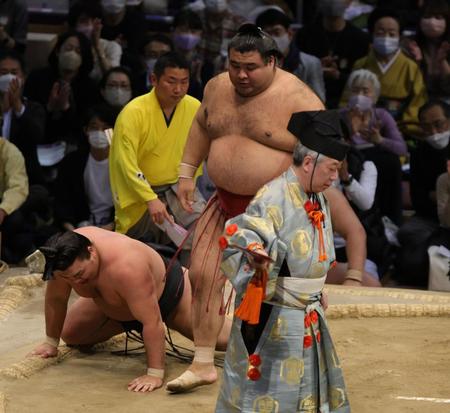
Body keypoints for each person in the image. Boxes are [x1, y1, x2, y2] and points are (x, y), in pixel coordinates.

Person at [168, 23, 366, 393]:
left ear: (272, 62)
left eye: (251, 67)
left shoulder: (299, 97)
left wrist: (306, 191)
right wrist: (184, 174)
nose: (241, 75)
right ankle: (202, 361)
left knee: (276, 290)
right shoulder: (215, 87)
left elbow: (331, 152)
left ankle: (283, 361)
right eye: (235, 65)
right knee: (204, 274)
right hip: (224, 200)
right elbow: (201, 125)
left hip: (279, 212)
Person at [215, 110, 350, 412]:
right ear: (308, 163)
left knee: (308, 390)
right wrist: (257, 255)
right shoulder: (272, 196)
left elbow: (314, 253)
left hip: (308, 308)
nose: (334, 177)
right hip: (276, 313)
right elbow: (241, 235)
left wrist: (315, 288)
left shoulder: (318, 196)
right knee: (268, 392)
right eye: (331, 169)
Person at [30, 227, 229, 392]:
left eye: (80, 274)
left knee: (223, 340)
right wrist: (50, 342)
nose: (75, 281)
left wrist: (154, 373)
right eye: (68, 278)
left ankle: (257, 328)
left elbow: (152, 322)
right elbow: (56, 299)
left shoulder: (126, 266)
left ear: (91, 251)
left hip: (168, 298)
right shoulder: (60, 259)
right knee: (72, 334)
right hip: (113, 306)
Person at [109, 52, 204, 257]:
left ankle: (191, 284)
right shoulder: (133, 113)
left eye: (184, 82)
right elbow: (125, 164)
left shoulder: (194, 107)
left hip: (178, 185)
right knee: (137, 251)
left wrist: (189, 180)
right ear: (154, 79)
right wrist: (150, 198)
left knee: (203, 232)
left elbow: (199, 149)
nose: (178, 89)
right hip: (139, 190)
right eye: (171, 81)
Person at [340, 69, 407, 225]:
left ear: (375, 97)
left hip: (375, 160)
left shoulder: (382, 116)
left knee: (392, 161)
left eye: (366, 91)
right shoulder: (340, 115)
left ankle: (391, 220)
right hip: (350, 160)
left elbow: (402, 148)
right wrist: (351, 130)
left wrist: (380, 140)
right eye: (355, 90)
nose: (360, 95)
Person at [350, 8, 427, 138]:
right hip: (362, 126)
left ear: (399, 36)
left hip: (399, 125)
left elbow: (417, 101)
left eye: (392, 34)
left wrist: (404, 126)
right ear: (372, 34)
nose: (386, 37)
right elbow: (349, 97)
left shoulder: (410, 66)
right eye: (380, 32)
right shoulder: (361, 64)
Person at [54, 104, 119, 231]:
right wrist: (73, 231)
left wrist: (109, 229)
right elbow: (62, 201)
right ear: (86, 130)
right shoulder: (71, 162)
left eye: (106, 128)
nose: (100, 133)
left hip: (114, 229)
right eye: (94, 128)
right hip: (78, 229)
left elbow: (131, 206)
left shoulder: (125, 163)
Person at [296, 0, 370, 108]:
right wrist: (314, 68)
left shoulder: (361, 39)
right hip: (309, 99)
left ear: (349, 2)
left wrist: (339, 76)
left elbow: (364, 78)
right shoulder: (304, 35)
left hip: (347, 102)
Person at [255, 7, 326, 102]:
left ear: (289, 34)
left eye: (277, 32)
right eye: (267, 34)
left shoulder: (311, 63)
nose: (272, 39)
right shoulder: (252, 65)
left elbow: (319, 101)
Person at [0, 50, 46, 186]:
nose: (9, 77)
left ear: (23, 77)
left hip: (24, 181)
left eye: (14, 73)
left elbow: (36, 136)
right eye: (3, 72)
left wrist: (18, 107)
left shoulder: (33, 109)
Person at [402, 0, 450, 102]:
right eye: (427, 17)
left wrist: (442, 62)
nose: (431, 22)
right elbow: (410, 86)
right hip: (419, 100)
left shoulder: (447, 47)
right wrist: (417, 62)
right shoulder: (411, 45)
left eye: (438, 17)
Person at [411, 100, 450, 221]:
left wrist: (435, 194)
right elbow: (417, 198)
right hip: (432, 216)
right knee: (408, 233)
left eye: (438, 124)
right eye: (426, 127)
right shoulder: (419, 153)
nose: (433, 132)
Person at [68, 1, 122, 82]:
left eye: (94, 21)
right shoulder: (69, 48)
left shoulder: (112, 47)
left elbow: (112, 79)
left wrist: (97, 47)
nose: (90, 26)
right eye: (84, 21)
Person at [0, 137, 30, 263]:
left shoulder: (10, 152)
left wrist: (2, 210)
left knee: (15, 219)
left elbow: (18, 188)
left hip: (4, 206)